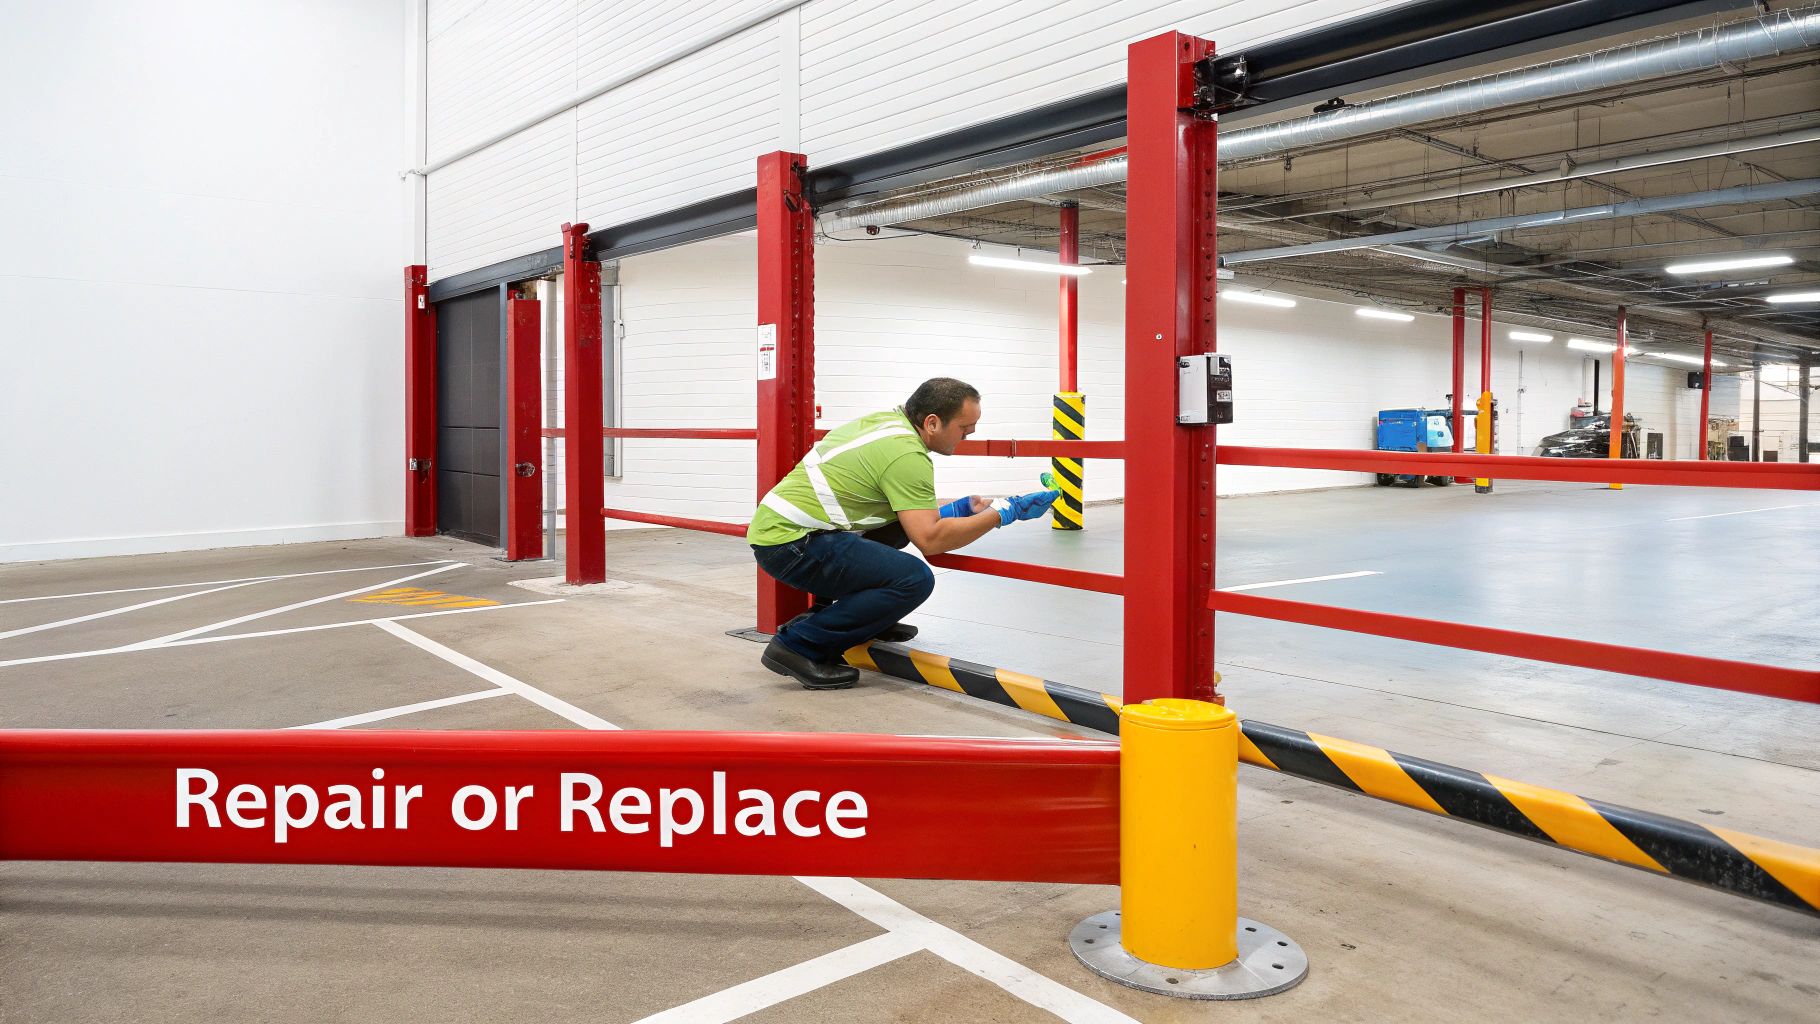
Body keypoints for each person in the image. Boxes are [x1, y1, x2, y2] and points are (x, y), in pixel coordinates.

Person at [748, 378, 1061, 690]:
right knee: (913, 579)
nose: (971, 433)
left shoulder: (889, 424)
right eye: (965, 427)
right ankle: (799, 645)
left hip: (787, 533)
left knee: (897, 531)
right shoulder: (907, 456)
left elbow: (907, 513)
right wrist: (1005, 513)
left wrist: (960, 509)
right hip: (791, 544)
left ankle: (858, 617)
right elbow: (931, 538)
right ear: (933, 423)